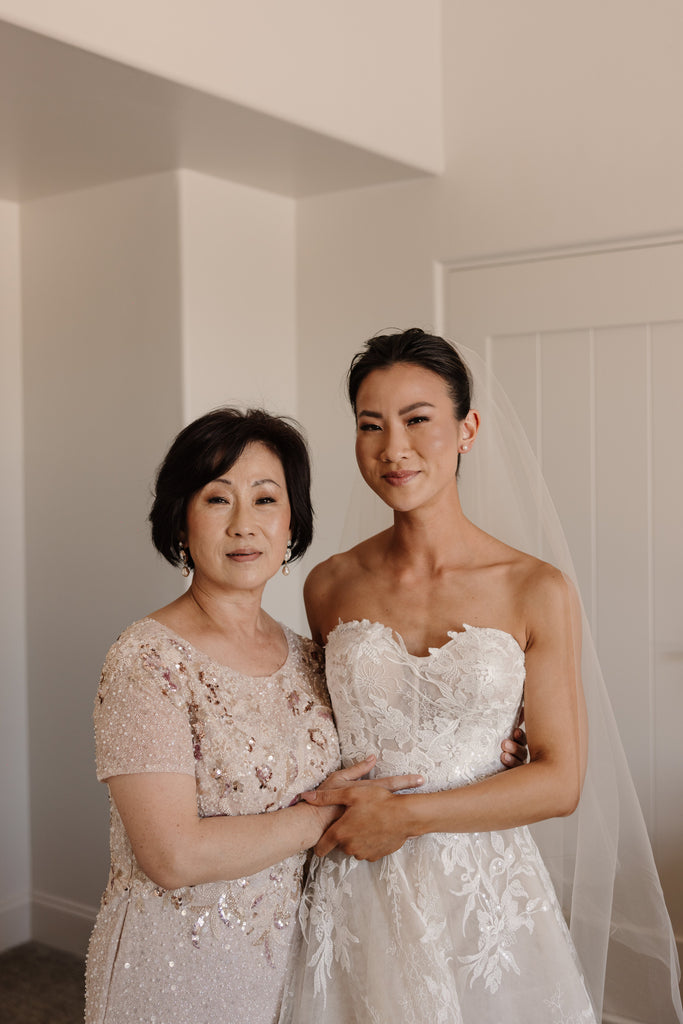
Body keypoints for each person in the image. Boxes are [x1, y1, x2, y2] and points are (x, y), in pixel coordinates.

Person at [280, 329, 683, 1023]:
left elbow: (559, 781)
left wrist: (401, 816)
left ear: (466, 429)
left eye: (417, 421)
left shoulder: (535, 588)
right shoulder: (328, 584)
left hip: (482, 894)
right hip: (352, 887)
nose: (392, 449)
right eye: (369, 426)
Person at [84, 408, 426, 1024]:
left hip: (299, 968)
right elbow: (171, 856)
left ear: (291, 523)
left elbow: (389, 742)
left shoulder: (309, 657)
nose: (244, 524)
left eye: (266, 499)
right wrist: (323, 814)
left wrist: (498, 742)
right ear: (181, 522)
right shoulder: (146, 660)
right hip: (177, 973)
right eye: (218, 499)